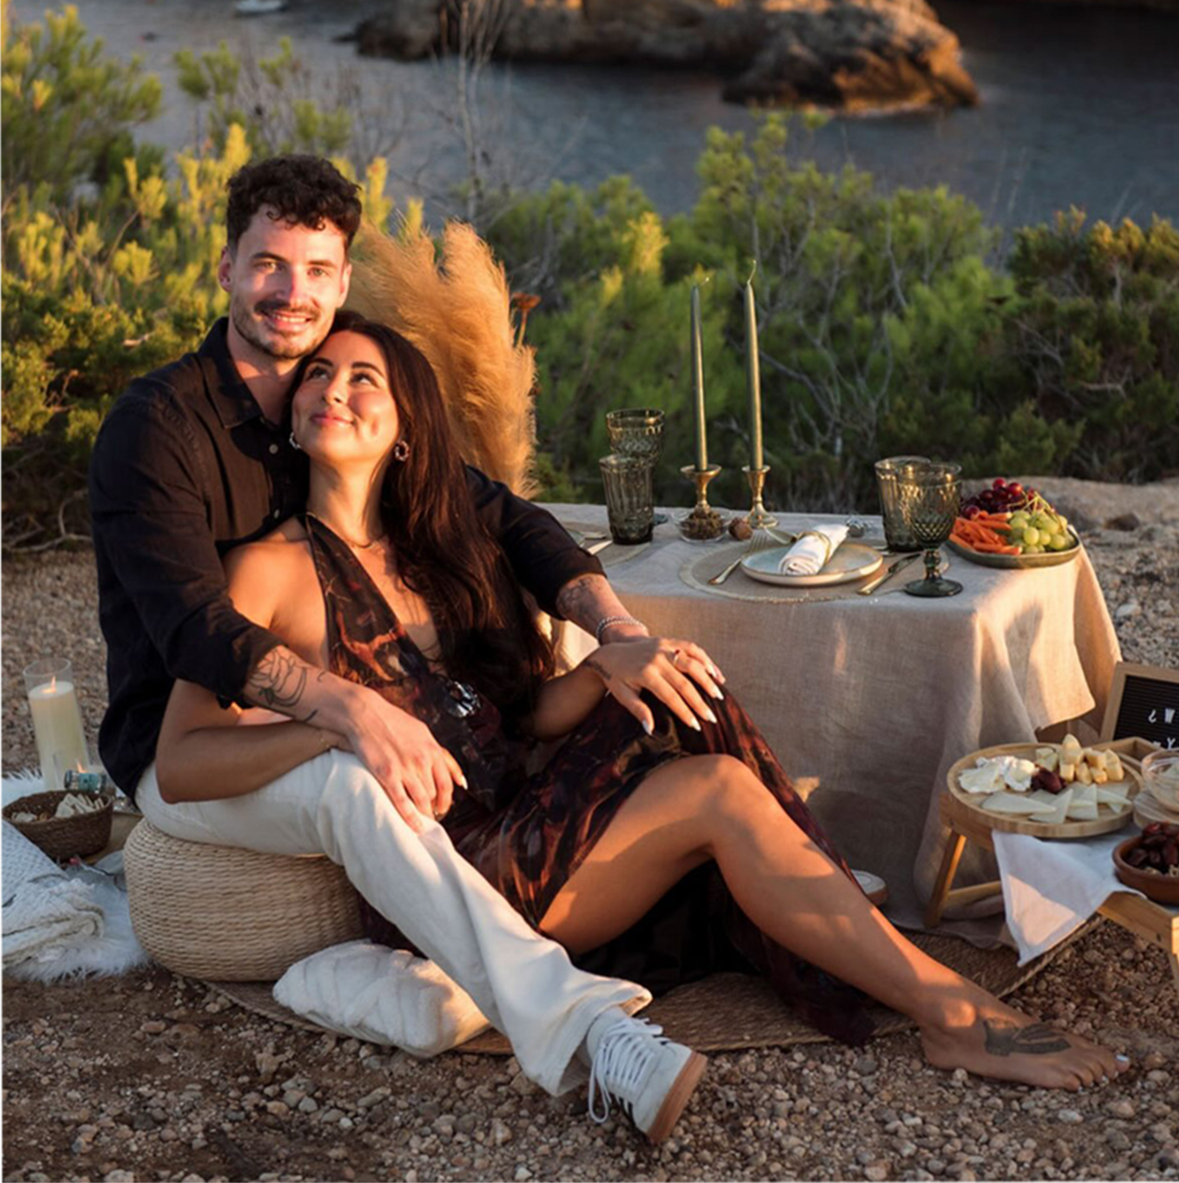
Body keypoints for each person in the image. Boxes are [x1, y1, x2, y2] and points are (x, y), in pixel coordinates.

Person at [150, 314, 1131, 1095]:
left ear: (408, 429)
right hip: (451, 882)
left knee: (676, 685)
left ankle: (839, 915)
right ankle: (947, 1009)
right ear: (293, 417)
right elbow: (184, 761)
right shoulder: (269, 571)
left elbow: (519, 724)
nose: (333, 388)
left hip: (525, 824)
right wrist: (340, 722)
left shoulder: (444, 555)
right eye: (320, 375)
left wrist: (606, 670)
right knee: (717, 791)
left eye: (365, 377)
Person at [89, 155, 723, 1140]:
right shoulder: (158, 429)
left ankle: (708, 900)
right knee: (354, 781)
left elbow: (509, 518)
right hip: (189, 752)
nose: (291, 293)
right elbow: (194, 628)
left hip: (310, 729)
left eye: (315, 270)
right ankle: (589, 1033)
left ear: (342, 279)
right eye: (268, 264)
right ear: (225, 268)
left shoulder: (326, 393)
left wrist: (619, 631)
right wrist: (353, 707)